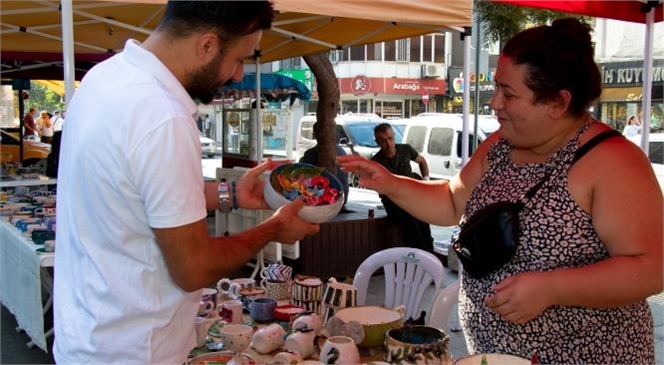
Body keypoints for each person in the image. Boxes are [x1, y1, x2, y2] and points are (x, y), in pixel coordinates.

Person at [338, 18, 662, 365]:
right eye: (496, 88)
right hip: (494, 351)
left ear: (557, 102)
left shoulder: (612, 161)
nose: (494, 103)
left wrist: (553, 287)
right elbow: (451, 201)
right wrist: (390, 181)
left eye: (508, 93)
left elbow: (651, 268)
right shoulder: (500, 145)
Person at [53, 2, 319, 364]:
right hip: (134, 351)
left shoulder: (105, 78)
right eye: (239, 58)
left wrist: (231, 194)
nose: (240, 74)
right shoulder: (163, 116)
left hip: (88, 337)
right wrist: (271, 230)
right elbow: (194, 268)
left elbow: (138, 195)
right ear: (207, 45)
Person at [371, 122, 434, 253]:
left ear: (394, 135)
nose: (388, 144)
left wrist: (426, 180)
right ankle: (420, 259)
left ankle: (430, 258)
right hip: (393, 202)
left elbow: (421, 161)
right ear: (377, 142)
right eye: (383, 141)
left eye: (390, 138)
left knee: (424, 224)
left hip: (412, 197)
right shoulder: (375, 162)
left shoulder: (405, 149)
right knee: (412, 229)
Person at [299, 121, 350, 206]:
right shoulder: (341, 151)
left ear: (315, 135)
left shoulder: (311, 154)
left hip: (329, 200)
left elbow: (306, 182)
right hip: (342, 198)